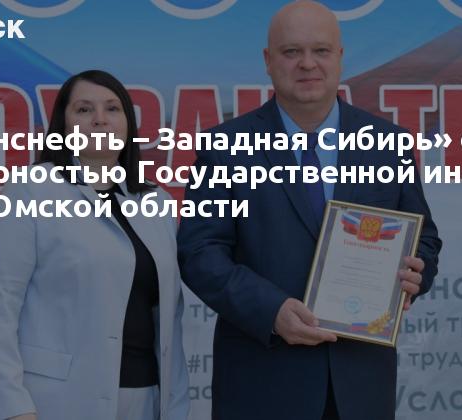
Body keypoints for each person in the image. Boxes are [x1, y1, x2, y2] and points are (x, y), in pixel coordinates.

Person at [177, 2, 442, 419]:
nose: (307, 64)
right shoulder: (225, 147)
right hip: (264, 381)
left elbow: (424, 238)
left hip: (361, 385)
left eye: (321, 50)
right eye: (291, 52)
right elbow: (200, 253)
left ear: (340, 57)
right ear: (268, 60)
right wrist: (271, 311)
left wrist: (415, 273)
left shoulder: (389, 143)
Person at [0, 70, 189, 420]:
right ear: (63, 124)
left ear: (128, 123)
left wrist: (176, 405)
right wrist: (12, 403)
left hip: (147, 398)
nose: (100, 119)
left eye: (112, 109)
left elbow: (169, 318)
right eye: (84, 109)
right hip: (52, 401)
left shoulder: (157, 202)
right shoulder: (30, 190)